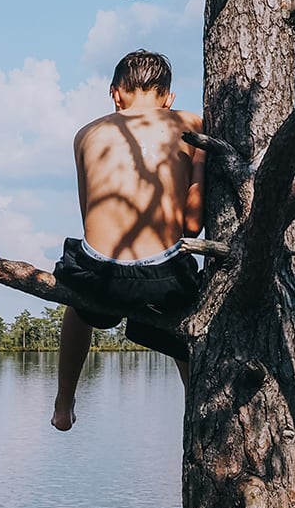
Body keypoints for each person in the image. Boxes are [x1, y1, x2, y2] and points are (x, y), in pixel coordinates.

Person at [50, 50, 205, 431]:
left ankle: (64, 403)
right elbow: (193, 224)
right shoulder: (189, 124)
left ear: (115, 94)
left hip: (97, 273)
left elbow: (89, 214)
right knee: (188, 318)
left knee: (77, 305)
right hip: (162, 277)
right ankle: (196, 407)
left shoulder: (85, 134)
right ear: (168, 98)